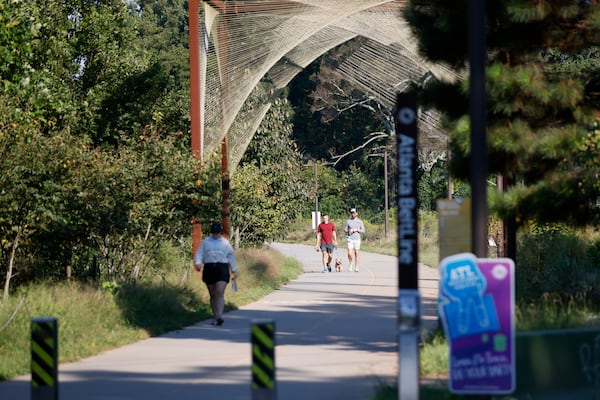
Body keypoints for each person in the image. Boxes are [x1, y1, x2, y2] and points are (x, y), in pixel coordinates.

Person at [193, 221, 238, 326]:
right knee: (213, 294)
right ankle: (215, 315)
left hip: (222, 267)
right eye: (214, 232)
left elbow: (231, 255)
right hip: (209, 267)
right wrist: (198, 263)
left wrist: (234, 269)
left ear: (220, 232)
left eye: (217, 232)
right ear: (212, 232)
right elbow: (199, 253)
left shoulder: (225, 243)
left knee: (219, 292)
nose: (216, 234)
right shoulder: (206, 242)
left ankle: (219, 316)